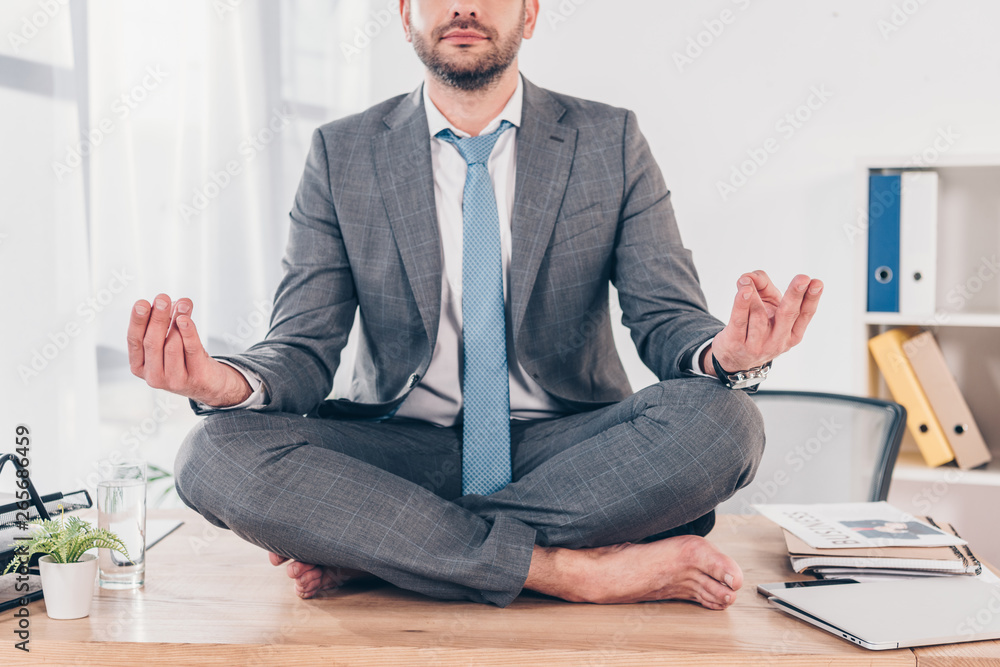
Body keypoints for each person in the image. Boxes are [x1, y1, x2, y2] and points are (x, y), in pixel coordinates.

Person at [128, 0, 823, 610]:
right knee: (211, 454)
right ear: (405, 13)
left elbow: (665, 315)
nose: (463, 5)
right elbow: (303, 348)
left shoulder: (609, 141)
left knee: (726, 422)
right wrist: (227, 383)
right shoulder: (343, 153)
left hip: (568, 452)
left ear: (530, 12)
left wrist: (725, 353)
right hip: (401, 447)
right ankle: (566, 571)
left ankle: (387, 545)